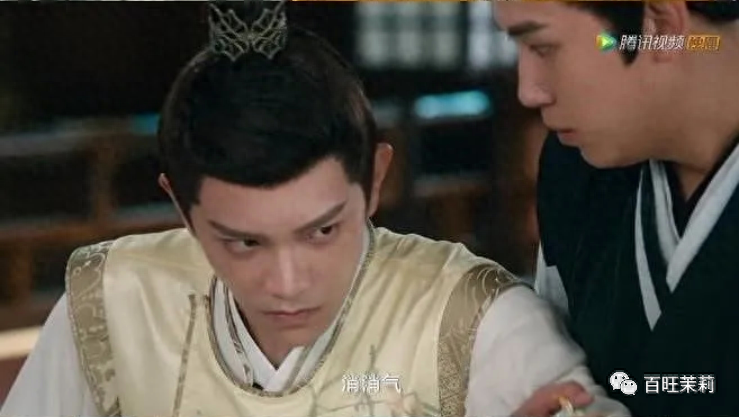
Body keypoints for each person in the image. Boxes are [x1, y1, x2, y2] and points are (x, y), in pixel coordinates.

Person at [1, 2, 628, 417]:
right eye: (244, 242)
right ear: (181, 208)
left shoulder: (469, 316)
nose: (287, 282)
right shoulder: (112, 301)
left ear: (374, 180)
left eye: (323, 230)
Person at [493, 1, 739, 416]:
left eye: (544, 47)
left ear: (661, 26)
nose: (528, 90)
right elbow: (557, 383)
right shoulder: (576, 169)